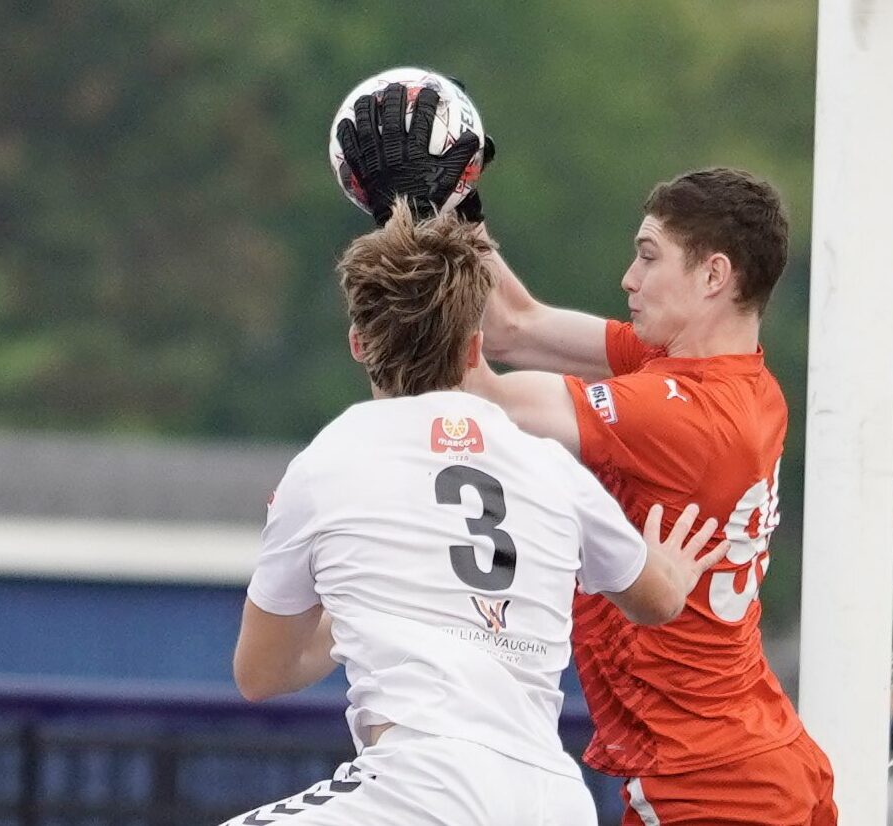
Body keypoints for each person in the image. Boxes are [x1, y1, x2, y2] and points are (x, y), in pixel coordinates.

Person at [335, 91, 837, 826]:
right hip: (752, 758)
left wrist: (408, 217)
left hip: (706, 787)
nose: (628, 280)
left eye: (647, 257)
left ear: (713, 276)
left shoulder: (677, 413)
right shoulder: (725, 380)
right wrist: (454, 205)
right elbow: (513, 327)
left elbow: (479, 392)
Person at [223, 204, 729, 826]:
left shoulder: (327, 461)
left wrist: (364, 604)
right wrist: (675, 572)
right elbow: (654, 601)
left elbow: (259, 674)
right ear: (475, 348)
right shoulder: (549, 466)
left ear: (358, 344)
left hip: (423, 784)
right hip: (553, 800)